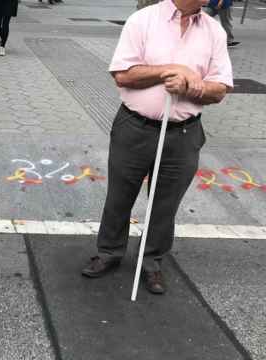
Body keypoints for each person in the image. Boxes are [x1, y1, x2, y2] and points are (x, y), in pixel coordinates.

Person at [81, 0, 233, 295]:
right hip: (135, 127)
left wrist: (192, 86)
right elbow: (123, 74)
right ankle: (109, 252)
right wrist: (169, 70)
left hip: (184, 133)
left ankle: (151, 261)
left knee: (165, 204)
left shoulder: (214, 31)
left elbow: (220, 89)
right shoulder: (143, 20)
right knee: (119, 196)